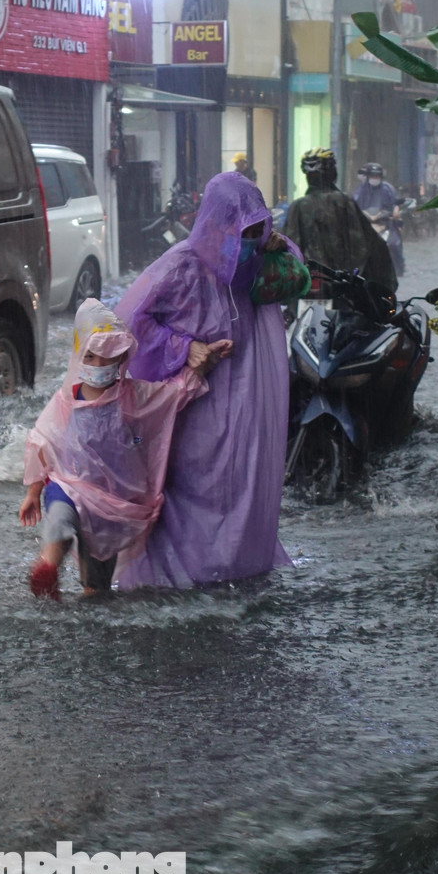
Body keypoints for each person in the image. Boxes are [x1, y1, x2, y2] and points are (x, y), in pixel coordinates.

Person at [110, 171, 300, 590]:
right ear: (213, 223)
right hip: (194, 408)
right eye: (241, 230)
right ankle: (182, 576)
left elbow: (296, 272)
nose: (246, 241)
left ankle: (236, 567)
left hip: (247, 404)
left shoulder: (257, 268)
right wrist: (183, 347)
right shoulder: (179, 267)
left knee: (243, 484)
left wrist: (277, 244)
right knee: (192, 486)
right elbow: (125, 326)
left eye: (256, 230)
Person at [19, 299, 231, 600]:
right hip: (70, 483)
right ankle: (48, 568)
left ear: (122, 361)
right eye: (90, 357)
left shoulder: (132, 397)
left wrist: (204, 363)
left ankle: (91, 602)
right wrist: (33, 493)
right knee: (60, 521)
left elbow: (172, 395)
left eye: (107, 359)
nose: (98, 366)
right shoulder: (67, 399)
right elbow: (42, 441)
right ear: (80, 358)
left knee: (98, 583)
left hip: (112, 501)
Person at [283, 148, 397, 294]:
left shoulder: (298, 206)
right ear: (332, 173)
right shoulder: (345, 202)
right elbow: (369, 245)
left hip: (309, 285)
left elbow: (289, 248)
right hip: (344, 287)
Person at [351, 161, 405, 278]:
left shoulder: (388, 189)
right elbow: (355, 204)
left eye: (377, 176)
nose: (374, 178)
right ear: (368, 177)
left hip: (385, 223)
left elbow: (394, 204)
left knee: (394, 244)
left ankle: (399, 267)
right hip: (366, 223)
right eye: (372, 176)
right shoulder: (361, 189)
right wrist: (365, 214)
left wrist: (394, 211)